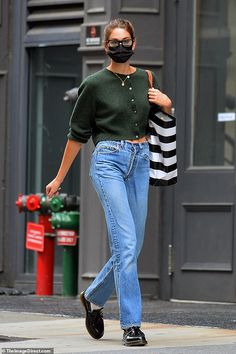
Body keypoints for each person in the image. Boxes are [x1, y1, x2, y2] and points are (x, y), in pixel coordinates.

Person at [46, 18, 172, 347]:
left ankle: (92, 297)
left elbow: (159, 121)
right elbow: (77, 135)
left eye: (125, 40)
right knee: (127, 245)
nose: (120, 46)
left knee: (132, 245)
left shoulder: (147, 78)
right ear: (105, 47)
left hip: (141, 160)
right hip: (107, 162)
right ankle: (132, 325)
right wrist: (59, 177)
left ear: (134, 43)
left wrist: (168, 105)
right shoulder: (94, 84)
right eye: (114, 41)